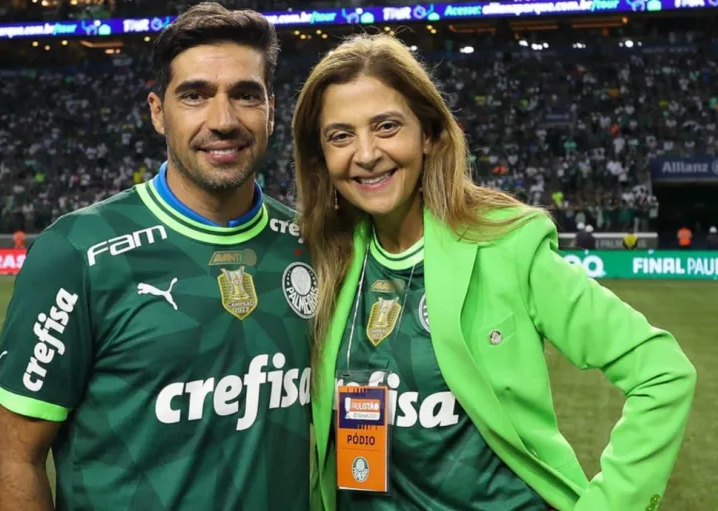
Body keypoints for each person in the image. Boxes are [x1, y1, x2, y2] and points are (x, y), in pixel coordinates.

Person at [292, 34, 696, 511]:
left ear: (428, 134)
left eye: (386, 126)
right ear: (321, 156)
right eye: (340, 136)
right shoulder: (325, 258)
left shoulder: (508, 247)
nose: (365, 153)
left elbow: (662, 372)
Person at [0, 4, 317, 510]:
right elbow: (13, 459)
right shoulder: (77, 252)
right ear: (158, 111)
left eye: (245, 95)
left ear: (271, 110)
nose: (223, 120)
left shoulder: (309, 244)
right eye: (195, 95)